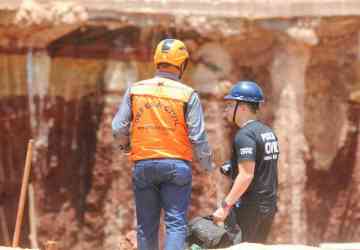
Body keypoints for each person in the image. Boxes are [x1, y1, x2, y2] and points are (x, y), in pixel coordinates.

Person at [112, 38, 213, 250]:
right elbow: (198, 136)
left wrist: (126, 147)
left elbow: (118, 127)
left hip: (144, 165)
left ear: (157, 60)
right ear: (182, 64)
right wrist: (206, 166)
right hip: (176, 167)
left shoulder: (135, 90)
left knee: (145, 226)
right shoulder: (187, 95)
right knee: (176, 225)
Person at [212, 80, 279, 243]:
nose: (226, 111)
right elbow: (262, 167)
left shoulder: (244, 135)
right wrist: (232, 167)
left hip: (251, 206)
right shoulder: (267, 132)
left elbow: (246, 176)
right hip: (268, 206)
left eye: (229, 105)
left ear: (241, 107)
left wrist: (224, 207)